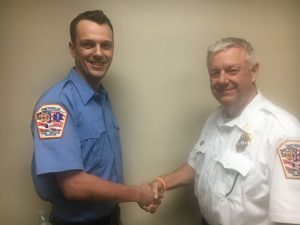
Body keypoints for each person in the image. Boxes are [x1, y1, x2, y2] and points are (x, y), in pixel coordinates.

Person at [147, 37, 300, 225]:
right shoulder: (215, 119)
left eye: (232, 71)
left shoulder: (283, 132)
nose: (221, 80)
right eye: (214, 73)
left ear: (253, 72)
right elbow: (196, 165)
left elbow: (289, 217)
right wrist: (162, 182)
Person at [31, 10, 157, 225]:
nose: (99, 53)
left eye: (106, 45)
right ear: (73, 48)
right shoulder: (53, 107)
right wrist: (137, 194)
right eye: (88, 44)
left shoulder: (102, 97)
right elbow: (73, 186)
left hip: (111, 217)